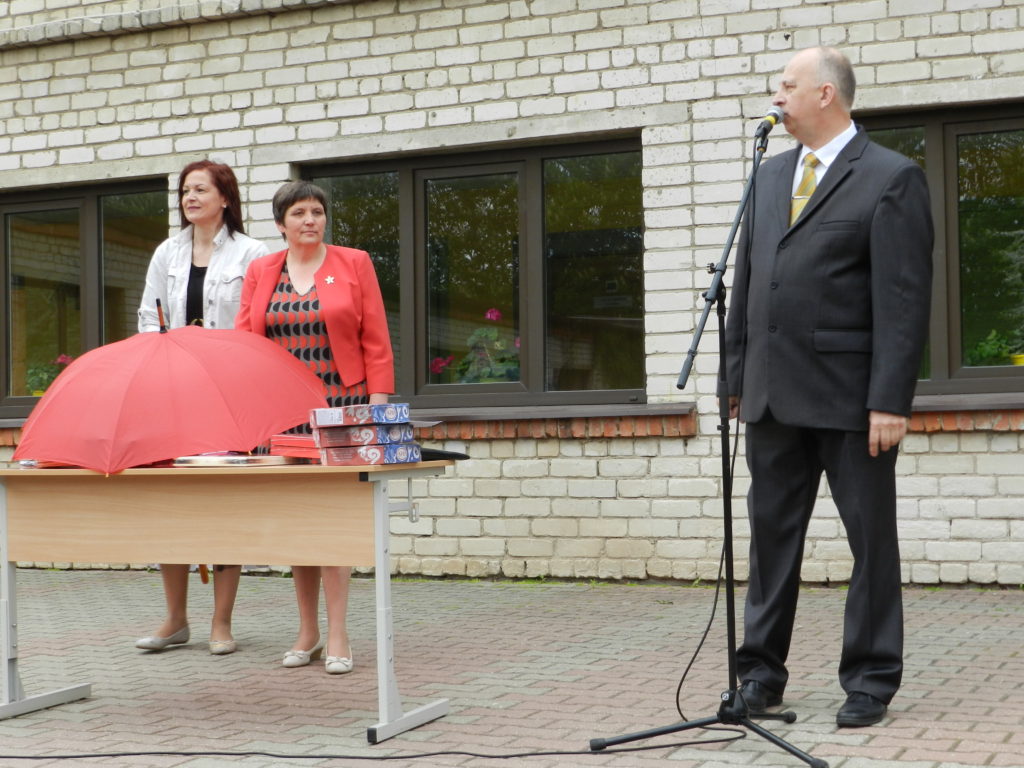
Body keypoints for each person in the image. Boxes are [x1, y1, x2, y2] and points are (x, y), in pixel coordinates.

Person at [723, 47, 933, 728]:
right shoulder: (768, 176)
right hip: (772, 396)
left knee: (870, 543)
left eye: (787, 85)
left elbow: (902, 300)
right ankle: (759, 675)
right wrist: (735, 376)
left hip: (851, 401)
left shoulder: (891, 177)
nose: (776, 97)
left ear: (825, 95)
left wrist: (890, 400)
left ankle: (870, 680)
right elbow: (746, 283)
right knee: (770, 543)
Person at [234, 180, 394, 675]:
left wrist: (377, 409)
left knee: (332, 519)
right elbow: (244, 343)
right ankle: (308, 631)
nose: (310, 220)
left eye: (317, 212)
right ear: (280, 224)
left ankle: (339, 631)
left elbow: (376, 339)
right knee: (296, 520)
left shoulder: (354, 263)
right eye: (299, 213)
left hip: (341, 404)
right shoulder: (261, 270)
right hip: (281, 411)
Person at [136, 159, 269, 655]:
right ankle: (175, 619)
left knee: (222, 503)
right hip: (173, 391)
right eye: (185, 191)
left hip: (229, 392)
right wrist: (158, 359)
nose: (189, 198)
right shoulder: (166, 251)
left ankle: (221, 622)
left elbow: (257, 323)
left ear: (225, 198)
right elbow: (148, 315)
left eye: (200, 190)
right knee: (170, 503)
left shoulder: (252, 253)